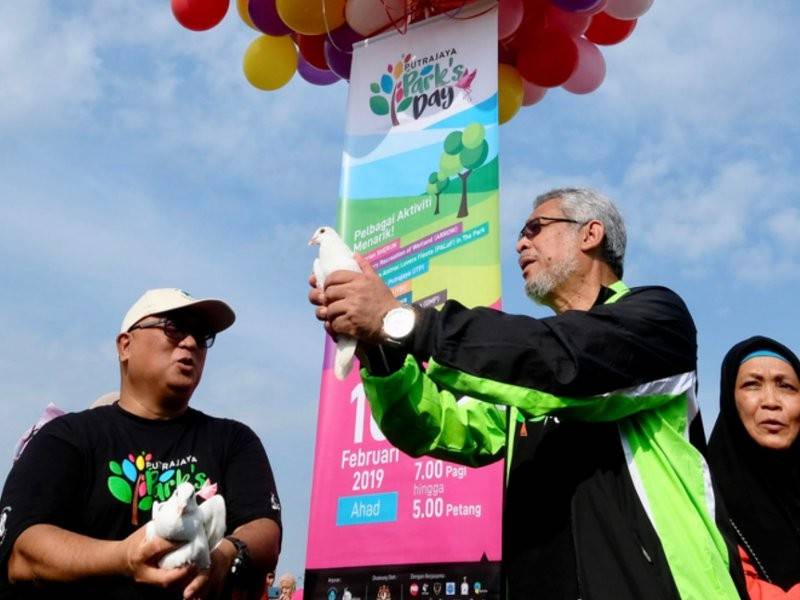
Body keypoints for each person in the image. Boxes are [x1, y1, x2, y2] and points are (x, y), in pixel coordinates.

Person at [310, 188, 746, 599]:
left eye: (535, 228)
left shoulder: (657, 317)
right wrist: (378, 349)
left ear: (591, 234)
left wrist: (400, 320)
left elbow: (567, 363)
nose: (520, 243)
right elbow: (437, 426)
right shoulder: (521, 380)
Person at [0, 288, 282, 599]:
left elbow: (264, 529)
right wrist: (123, 557)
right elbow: (22, 552)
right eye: (173, 328)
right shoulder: (65, 438)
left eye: (202, 336)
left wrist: (225, 556)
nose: (191, 342)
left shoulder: (233, 440)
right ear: (125, 346)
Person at [708, 337, 800, 599]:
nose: (771, 401)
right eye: (752, 384)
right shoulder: (705, 500)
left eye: (786, 387)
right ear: (729, 399)